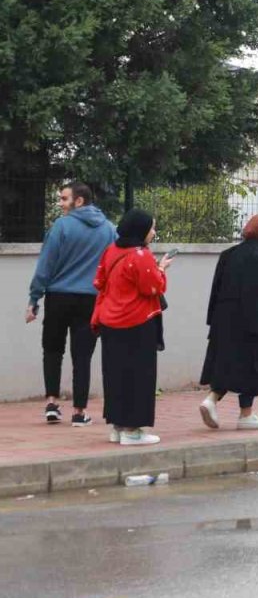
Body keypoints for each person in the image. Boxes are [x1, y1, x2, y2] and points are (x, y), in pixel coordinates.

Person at [26, 181, 117, 426]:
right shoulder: (109, 229)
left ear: (79, 201)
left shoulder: (61, 226)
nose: (61, 203)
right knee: (83, 356)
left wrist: (34, 298)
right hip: (91, 299)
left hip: (58, 298)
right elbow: (114, 263)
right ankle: (79, 412)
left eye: (64, 199)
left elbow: (46, 265)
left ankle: (52, 404)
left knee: (53, 350)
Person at [91, 209, 170, 446]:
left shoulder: (111, 250)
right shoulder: (141, 255)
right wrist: (162, 269)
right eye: (151, 228)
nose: (153, 233)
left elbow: (100, 281)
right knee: (139, 376)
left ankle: (117, 426)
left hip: (109, 323)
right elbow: (153, 288)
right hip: (136, 323)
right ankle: (133, 430)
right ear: (140, 230)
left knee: (115, 375)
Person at [198, 214, 258, 431]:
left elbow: (216, 289)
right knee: (253, 365)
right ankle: (245, 414)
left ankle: (211, 399)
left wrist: (212, 321)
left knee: (227, 361)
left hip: (224, 318)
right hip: (253, 320)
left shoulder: (229, 254)